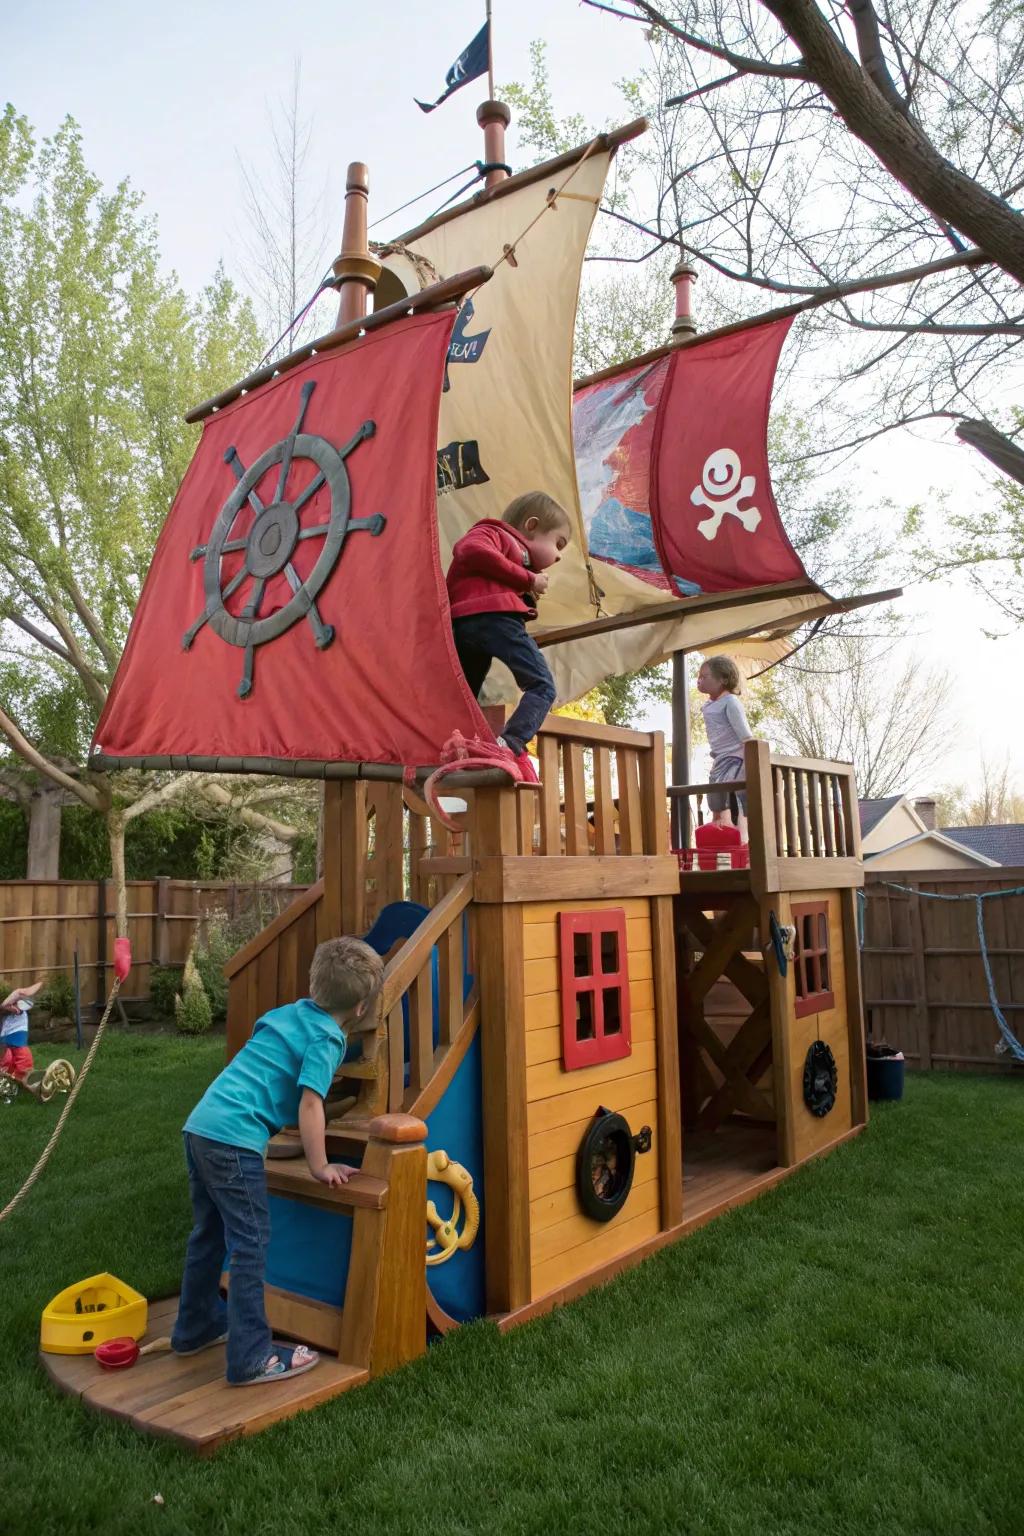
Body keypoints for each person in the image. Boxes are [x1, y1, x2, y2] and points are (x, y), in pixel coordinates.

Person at [170, 936, 384, 1386]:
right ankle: (250, 1357)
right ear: (361, 1009)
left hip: (201, 1127)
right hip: (234, 1142)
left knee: (208, 1233)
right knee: (251, 1242)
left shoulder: (286, 1014)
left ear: (313, 985)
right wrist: (320, 1165)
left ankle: (196, 1326)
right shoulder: (328, 1039)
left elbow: (264, 1068)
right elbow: (311, 1105)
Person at [446, 491, 571, 769]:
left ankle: (451, 746)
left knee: (463, 696)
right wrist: (529, 579)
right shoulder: (494, 534)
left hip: (464, 625)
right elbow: (468, 550)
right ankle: (509, 745)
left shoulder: (503, 550)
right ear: (531, 526)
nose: (559, 556)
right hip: (495, 619)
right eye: (558, 543)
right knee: (542, 686)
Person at [697, 654, 754, 831]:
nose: (699, 681)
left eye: (704, 677)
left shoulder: (730, 702)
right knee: (714, 790)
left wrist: (748, 762)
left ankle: (738, 829)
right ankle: (719, 824)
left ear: (722, 679)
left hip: (735, 756)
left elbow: (745, 736)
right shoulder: (708, 705)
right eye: (698, 677)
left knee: (731, 789)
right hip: (720, 757)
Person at [1, 982, 42, 1080]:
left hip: (17, 1033)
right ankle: (8, 1075)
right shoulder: (5, 1012)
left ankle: (21, 1076)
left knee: (22, 1055)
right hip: (5, 1038)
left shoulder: (20, 1009)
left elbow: (22, 994)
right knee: (6, 1056)